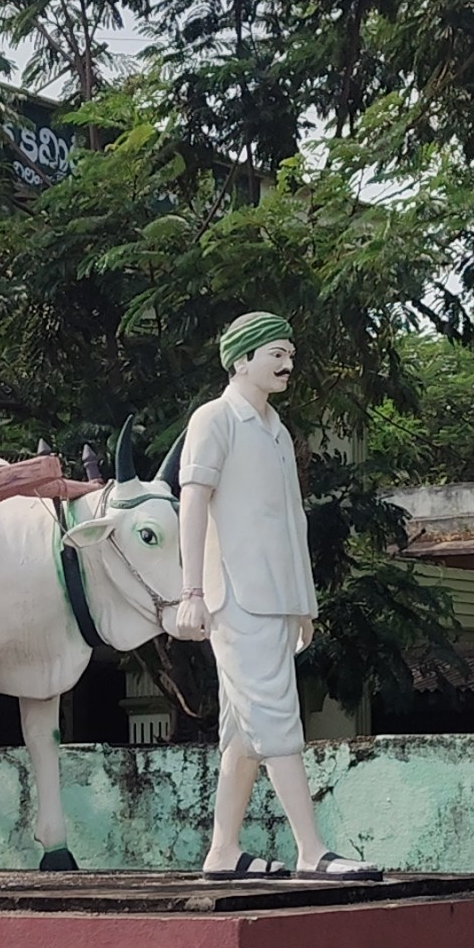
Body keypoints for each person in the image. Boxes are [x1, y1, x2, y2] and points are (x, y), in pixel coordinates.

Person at [175, 311, 382, 880]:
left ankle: (222, 852)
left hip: (275, 597)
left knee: (245, 730)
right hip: (234, 595)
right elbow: (192, 505)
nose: (287, 363)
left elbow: (291, 522)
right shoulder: (214, 419)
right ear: (242, 359)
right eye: (275, 353)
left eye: (290, 352)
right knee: (276, 719)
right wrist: (190, 589)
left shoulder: (275, 430)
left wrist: (304, 601)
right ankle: (312, 851)